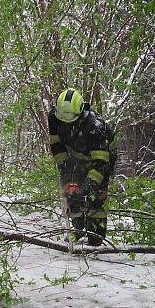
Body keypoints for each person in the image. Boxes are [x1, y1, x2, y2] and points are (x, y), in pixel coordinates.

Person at [48, 88, 115, 246]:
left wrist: (87, 188)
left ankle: (95, 236)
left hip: (102, 158)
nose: (64, 121)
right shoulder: (54, 117)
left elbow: (100, 163)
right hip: (76, 155)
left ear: (79, 113)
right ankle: (77, 230)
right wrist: (65, 173)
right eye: (61, 117)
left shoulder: (94, 127)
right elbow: (56, 146)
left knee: (95, 197)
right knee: (72, 193)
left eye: (68, 119)